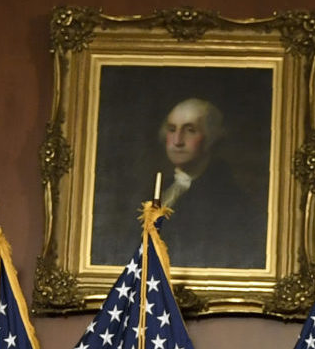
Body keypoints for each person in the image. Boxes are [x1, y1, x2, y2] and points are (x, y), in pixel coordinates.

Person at [97, 97, 265, 270]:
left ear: (212, 137)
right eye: (171, 129)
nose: (177, 141)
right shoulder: (159, 189)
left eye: (190, 130)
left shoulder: (229, 199)